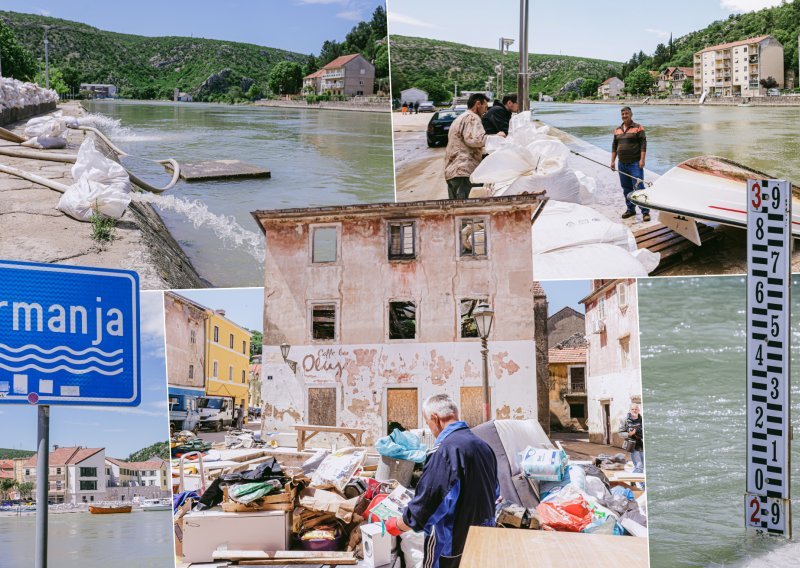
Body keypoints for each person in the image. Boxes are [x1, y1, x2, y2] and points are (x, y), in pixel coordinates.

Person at [384, 394, 498, 568]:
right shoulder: (483, 446)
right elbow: (495, 492)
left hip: (452, 549)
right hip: (483, 538)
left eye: (428, 423)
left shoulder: (445, 451)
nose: (430, 429)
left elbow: (427, 506)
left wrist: (398, 524)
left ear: (435, 419)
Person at [444, 93, 505, 200]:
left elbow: (465, 142)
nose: (486, 111)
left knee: (455, 210)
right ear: (478, 104)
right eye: (485, 107)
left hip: (453, 172)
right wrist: (497, 137)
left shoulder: (461, 117)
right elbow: (475, 140)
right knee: (467, 210)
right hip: (464, 172)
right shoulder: (472, 117)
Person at [610, 107, 650, 222]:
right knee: (626, 188)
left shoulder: (638, 127)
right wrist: (612, 161)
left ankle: (645, 212)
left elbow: (643, 145)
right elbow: (614, 146)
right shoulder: (617, 130)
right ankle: (630, 209)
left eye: (626, 113)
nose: (624, 115)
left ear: (631, 114)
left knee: (639, 188)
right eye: (622, 114)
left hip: (635, 164)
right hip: (621, 164)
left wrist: (642, 160)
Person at [619, 403, 644, 473]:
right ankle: (632, 480)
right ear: (630, 410)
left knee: (644, 467)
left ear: (639, 410)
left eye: (636, 409)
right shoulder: (625, 420)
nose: (634, 411)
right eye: (632, 409)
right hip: (633, 446)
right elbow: (620, 433)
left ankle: (641, 484)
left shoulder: (642, 420)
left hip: (642, 445)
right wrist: (629, 434)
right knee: (639, 467)